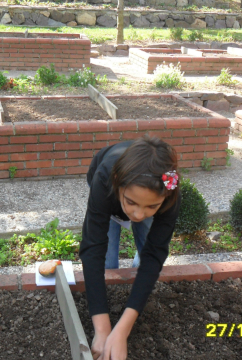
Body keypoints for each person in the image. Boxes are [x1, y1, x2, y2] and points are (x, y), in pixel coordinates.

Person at [79, 136, 181, 360]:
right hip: (108, 195)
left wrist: (123, 329)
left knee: (147, 250)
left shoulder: (169, 188)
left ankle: (135, 279)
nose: (138, 214)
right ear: (119, 183)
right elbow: (92, 247)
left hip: (141, 192)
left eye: (152, 206)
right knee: (107, 259)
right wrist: (103, 329)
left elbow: (155, 254)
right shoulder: (105, 177)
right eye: (132, 203)